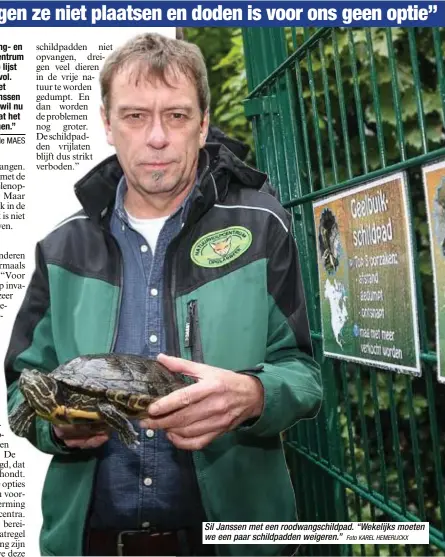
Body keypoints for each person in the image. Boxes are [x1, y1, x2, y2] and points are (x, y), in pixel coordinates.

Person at [4, 33, 322, 557]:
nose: (156, 138)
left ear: (202, 124)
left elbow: (306, 374)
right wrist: (56, 431)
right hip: (94, 544)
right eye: (134, 116)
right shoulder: (61, 247)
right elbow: (24, 383)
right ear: (107, 123)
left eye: (176, 116)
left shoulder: (262, 228)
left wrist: (255, 396)